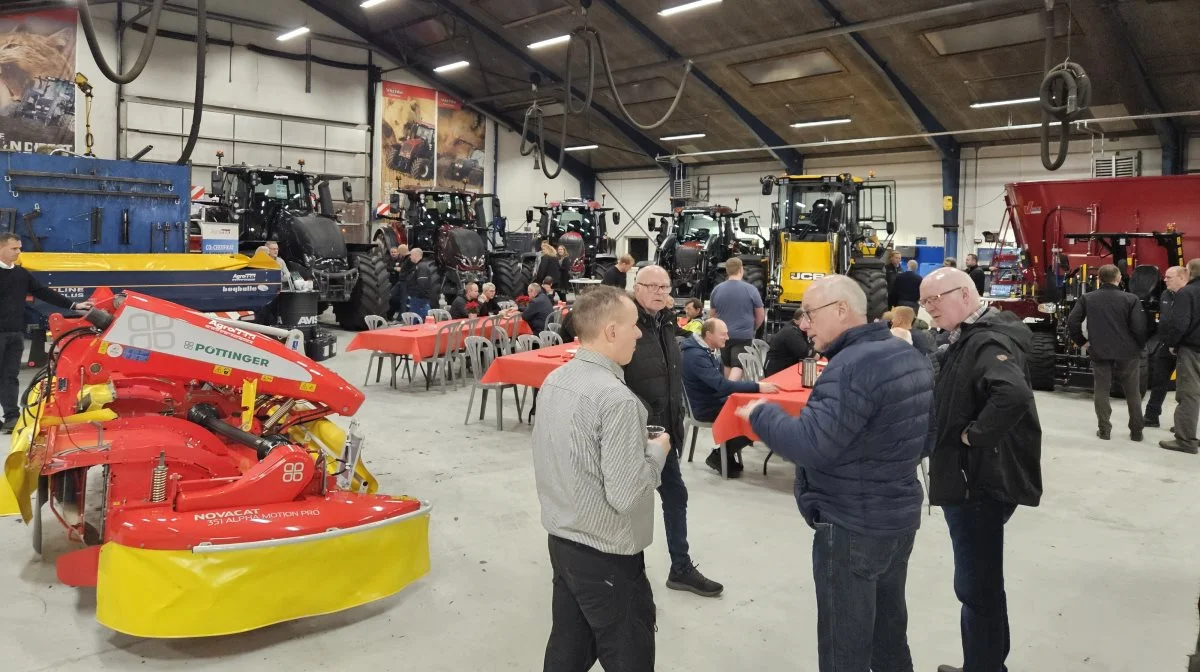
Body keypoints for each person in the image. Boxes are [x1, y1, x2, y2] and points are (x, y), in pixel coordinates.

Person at [736, 274, 933, 672]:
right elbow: (927, 440)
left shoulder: (850, 367)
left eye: (809, 313)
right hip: (897, 520)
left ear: (841, 310)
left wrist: (763, 414)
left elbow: (810, 443)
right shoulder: (905, 354)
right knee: (888, 636)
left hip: (852, 525)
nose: (803, 324)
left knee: (846, 646)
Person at [532, 285, 670, 671]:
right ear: (611, 331)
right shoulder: (617, 399)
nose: (640, 334)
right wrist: (656, 453)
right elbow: (626, 495)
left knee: (568, 650)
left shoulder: (556, 381)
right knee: (629, 654)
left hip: (563, 543)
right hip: (607, 556)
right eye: (633, 326)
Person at [919, 267, 1042, 672]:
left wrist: (974, 437)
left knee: (976, 587)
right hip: (980, 479)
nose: (928, 308)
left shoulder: (986, 340)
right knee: (984, 583)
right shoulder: (968, 336)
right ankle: (986, 664)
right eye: (924, 301)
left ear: (966, 295)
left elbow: (1013, 394)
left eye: (935, 299)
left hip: (977, 485)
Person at [623, 265, 724, 597]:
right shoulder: (623, 321)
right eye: (651, 286)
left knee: (675, 495)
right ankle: (625, 574)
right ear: (635, 287)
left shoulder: (666, 321)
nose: (659, 292)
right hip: (631, 430)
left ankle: (680, 568)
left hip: (665, 429)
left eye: (664, 287)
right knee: (629, 505)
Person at [0, 233, 94, 433]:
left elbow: (43, 292)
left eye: (19, 248)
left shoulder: (21, 274)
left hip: (14, 333)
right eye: (14, 248)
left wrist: (74, 305)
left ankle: (11, 417)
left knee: (10, 376)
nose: (18, 252)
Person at [680, 318, 778, 476]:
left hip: (714, 401)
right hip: (705, 408)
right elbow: (723, 386)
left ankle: (725, 453)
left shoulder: (703, 350)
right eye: (723, 334)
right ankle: (720, 456)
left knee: (754, 410)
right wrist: (757, 387)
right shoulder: (696, 356)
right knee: (755, 416)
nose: (727, 338)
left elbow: (721, 385)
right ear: (709, 335)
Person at [1067, 264, 1148, 441]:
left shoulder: (1088, 298)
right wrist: (1139, 346)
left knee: (1101, 390)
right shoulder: (1131, 299)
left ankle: (1104, 430)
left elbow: (1072, 322)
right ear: (1118, 278)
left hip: (1099, 350)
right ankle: (1136, 432)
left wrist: (1083, 342)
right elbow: (1139, 328)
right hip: (1128, 352)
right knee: (1133, 391)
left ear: (1100, 279)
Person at [1156, 258, 1200, 455]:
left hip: (1192, 349)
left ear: (1190, 272)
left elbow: (1180, 324)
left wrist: (1172, 343)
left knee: (1188, 394)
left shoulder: (1187, 293)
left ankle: (1185, 440)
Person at [1146, 265, 1187, 427]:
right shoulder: (1165, 294)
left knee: (1184, 388)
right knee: (1158, 380)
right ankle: (1151, 416)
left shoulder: (1189, 296)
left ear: (1182, 278)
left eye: (1169, 277)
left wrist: (1177, 343)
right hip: (1165, 344)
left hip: (1184, 347)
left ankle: (1182, 424)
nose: (1165, 280)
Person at [708, 257, 764, 376]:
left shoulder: (716, 290)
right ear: (741, 270)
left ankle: (728, 390)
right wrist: (754, 328)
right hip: (743, 334)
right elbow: (760, 315)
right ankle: (731, 390)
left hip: (723, 335)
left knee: (727, 364)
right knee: (739, 364)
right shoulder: (751, 290)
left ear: (727, 271)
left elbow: (712, 316)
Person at [764, 308, 812, 376]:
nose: (810, 322)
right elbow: (805, 353)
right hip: (776, 372)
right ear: (802, 317)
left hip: (783, 368)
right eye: (808, 319)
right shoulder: (791, 332)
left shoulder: (793, 327)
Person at [403, 248, 434, 317]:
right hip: (416, 299)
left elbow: (423, 283)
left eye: (411, 255)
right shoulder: (417, 266)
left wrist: (422, 300)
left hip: (419, 300)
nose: (410, 257)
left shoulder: (421, 267)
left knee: (418, 321)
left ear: (415, 255)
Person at [387, 245, 410, 321]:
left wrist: (399, 269)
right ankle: (389, 315)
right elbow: (387, 267)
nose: (394, 253)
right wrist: (395, 268)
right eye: (392, 252)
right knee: (391, 297)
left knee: (403, 300)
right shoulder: (389, 260)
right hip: (395, 282)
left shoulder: (406, 259)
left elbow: (403, 269)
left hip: (402, 282)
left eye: (397, 252)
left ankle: (400, 318)